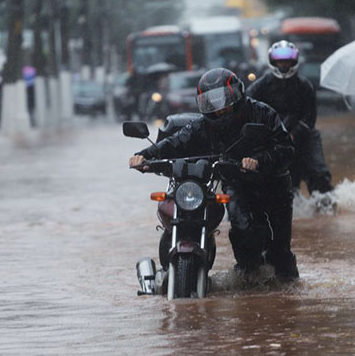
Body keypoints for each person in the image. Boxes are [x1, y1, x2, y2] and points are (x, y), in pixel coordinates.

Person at [128, 68, 299, 281]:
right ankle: (248, 276)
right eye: (211, 103)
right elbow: (175, 142)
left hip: (273, 185)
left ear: (237, 95)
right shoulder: (202, 126)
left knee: (279, 252)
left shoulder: (263, 114)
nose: (218, 110)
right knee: (242, 229)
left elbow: (287, 148)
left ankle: (287, 293)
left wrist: (259, 161)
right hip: (237, 183)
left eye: (223, 101)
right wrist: (144, 156)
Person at [246, 40, 334, 196]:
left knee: (320, 176)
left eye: (287, 60)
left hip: (303, 139)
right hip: (272, 142)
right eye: (280, 60)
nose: (284, 64)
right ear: (273, 61)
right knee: (273, 182)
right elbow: (249, 116)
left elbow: (310, 118)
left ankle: (325, 208)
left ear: (294, 61)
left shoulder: (305, 86)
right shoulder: (258, 87)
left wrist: (293, 134)